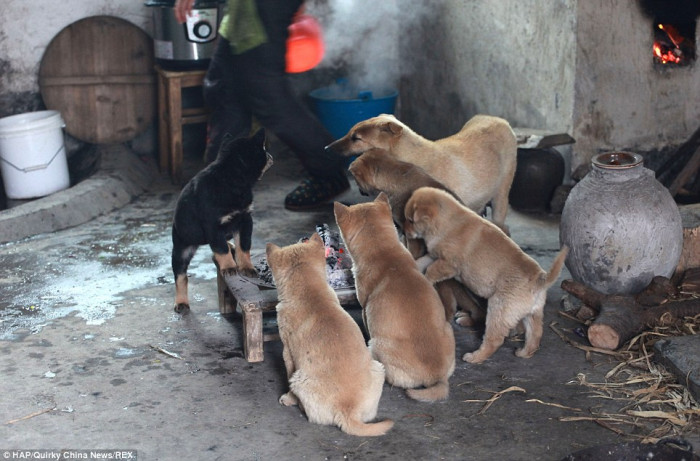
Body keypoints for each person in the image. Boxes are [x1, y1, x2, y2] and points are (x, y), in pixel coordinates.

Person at [174, 0, 350, 210]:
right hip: (247, 13)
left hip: (261, 9)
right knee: (225, 88)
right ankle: (220, 192)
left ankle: (329, 169)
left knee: (270, 100)